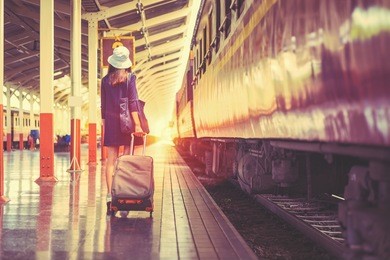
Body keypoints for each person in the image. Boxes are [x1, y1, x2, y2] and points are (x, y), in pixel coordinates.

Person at [100, 45, 145, 215]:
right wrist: (138, 124)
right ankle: (123, 196)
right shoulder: (130, 78)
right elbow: (133, 103)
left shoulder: (105, 80)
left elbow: (103, 107)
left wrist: (105, 127)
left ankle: (110, 198)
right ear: (126, 64)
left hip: (111, 124)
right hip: (126, 124)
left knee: (110, 162)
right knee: (124, 161)